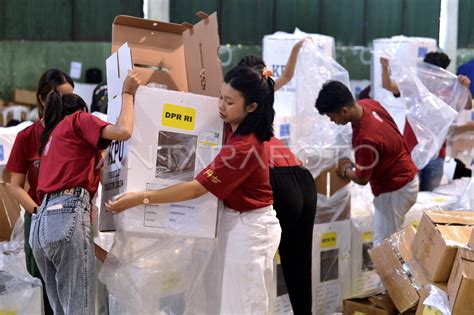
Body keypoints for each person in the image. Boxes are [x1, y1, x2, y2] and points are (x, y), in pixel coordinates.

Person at [105, 65, 281, 314]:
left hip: (251, 229)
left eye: (229, 102)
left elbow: (196, 189)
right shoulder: (235, 125)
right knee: (225, 302)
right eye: (220, 96)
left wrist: (141, 198)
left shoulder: (244, 146)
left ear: (251, 107)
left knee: (243, 305)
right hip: (233, 222)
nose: (220, 105)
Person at [29, 70, 141, 314]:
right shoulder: (79, 120)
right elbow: (123, 131)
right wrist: (127, 93)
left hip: (40, 226)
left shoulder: (52, 137)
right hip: (65, 214)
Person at [238, 41, 317, 315]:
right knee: (299, 265)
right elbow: (287, 77)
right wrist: (294, 52)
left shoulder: (238, 102)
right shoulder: (267, 89)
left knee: (258, 265)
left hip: (274, 177)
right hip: (301, 176)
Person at [5, 69, 75, 315]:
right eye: (60, 98)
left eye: (70, 98)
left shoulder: (78, 133)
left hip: (72, 222)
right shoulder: (27, 136)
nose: (67, 106)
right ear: (42, 99)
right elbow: (14, 185)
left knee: (72, 293)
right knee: (43, 290)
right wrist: (38, 212)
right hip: (38, 220)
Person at [315, 80, 418, 246]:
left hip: (395, 188)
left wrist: (346, 170)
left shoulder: (366, 138)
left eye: (332, 117)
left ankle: (393, 272)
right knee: (389, 240)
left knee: (385, 245)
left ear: (344, 110)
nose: (332, 122)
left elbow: (362, 180)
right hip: (405, 177)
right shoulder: (369, 104)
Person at [380, 52, 472, 191]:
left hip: (436, 155)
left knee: (429, 199)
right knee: (408, 195)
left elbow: (468, 105)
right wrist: (384, 67)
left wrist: (464, 89)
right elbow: (388, 85)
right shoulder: (414, 87)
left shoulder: (449, 90)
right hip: (411, 152)